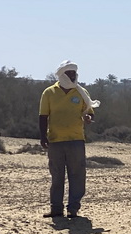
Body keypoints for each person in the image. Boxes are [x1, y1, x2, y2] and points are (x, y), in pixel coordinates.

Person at [39, 60, 100, 219]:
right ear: (61, 74)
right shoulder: (49, 93)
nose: (72, 76)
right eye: (69, 73)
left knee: (77, 175)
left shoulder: (81, 92)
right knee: (57, 176)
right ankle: (56, 209)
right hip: (55, 140)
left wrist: (88, 118)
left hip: (76, 140)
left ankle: (73, 209)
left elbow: (90, 112)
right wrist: (42, 136)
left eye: (74, 73)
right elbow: (43, 116)